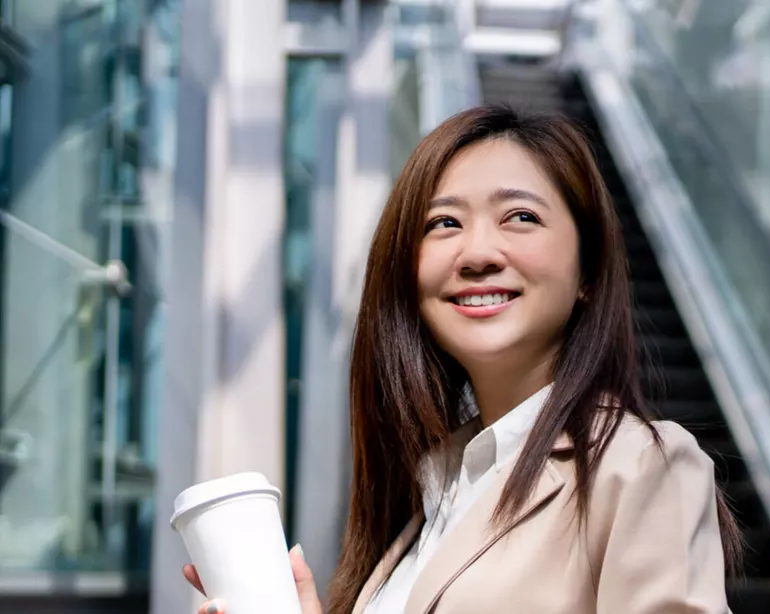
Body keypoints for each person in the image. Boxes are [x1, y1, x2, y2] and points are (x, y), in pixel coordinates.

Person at [183, 105, 739, 613]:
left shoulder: (642, 467)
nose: (476, 254)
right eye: (443, 223)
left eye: (520, 216)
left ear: (588, 271)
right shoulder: (435, 487)